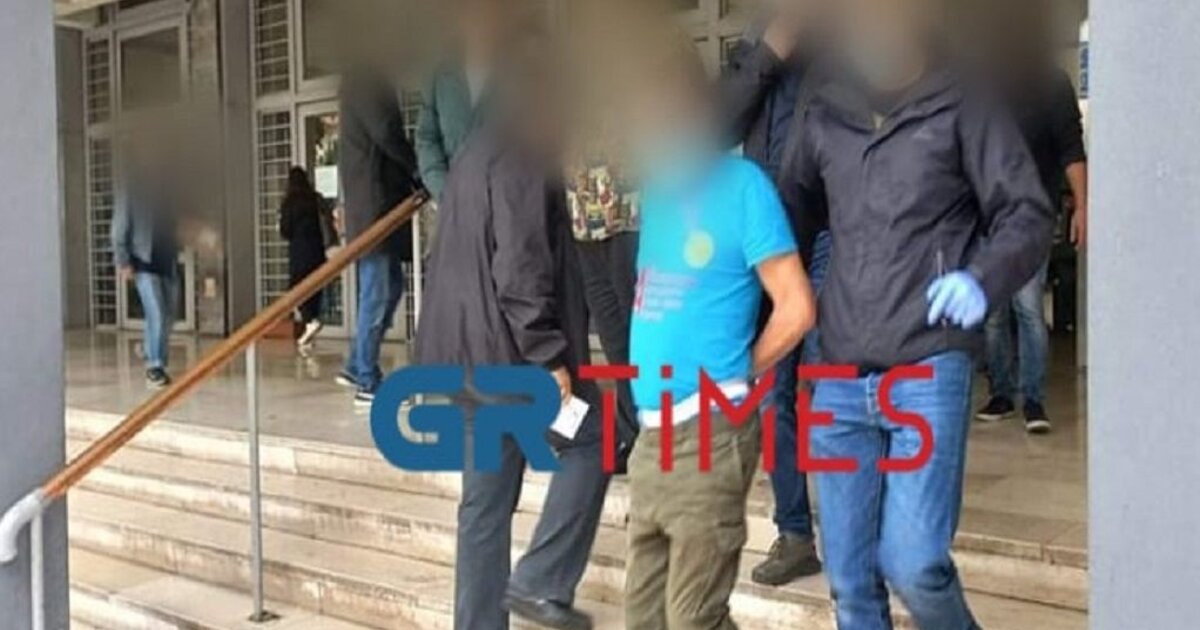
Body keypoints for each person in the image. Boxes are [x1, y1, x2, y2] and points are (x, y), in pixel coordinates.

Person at [777, 0, 1055, 627]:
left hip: (927, 362)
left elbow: (1026, 211)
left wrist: (981, 280)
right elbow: (789, 216)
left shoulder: (963, 100)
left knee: (914, 562)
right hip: (839, 371)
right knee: (849, 581)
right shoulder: (825, 108)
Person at [414, 32, 608, 630]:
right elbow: (519, 266)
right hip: (513, 362)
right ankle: (541, 581)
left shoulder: (477, 151)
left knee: (484, 504)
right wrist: (549, 355)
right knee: (594, 440)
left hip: (463, 362)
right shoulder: (524, 152)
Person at [623, 41, 816, 629]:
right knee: (644, 620)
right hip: (651, 440)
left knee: (693, 619)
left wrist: (739, 371)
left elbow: (796, 308)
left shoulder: (742, 186)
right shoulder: (658, 193)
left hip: (708, 431)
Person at [719, 4, 826, 586]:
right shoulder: (760, 34)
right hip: (770, 241)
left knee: (838, 384)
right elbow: (721, 122)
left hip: (835, 231)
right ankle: (795, 533)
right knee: (773, 392)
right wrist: (770, 52)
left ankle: (861, 528)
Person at [976, 16, 1089, 434]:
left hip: (1032, 214)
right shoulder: (983, 87)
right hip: (987, 215)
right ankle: (1002, 393)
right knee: (993, 312)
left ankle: (1034, 399)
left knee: (1027, 307)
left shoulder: (1053, 85)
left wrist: (1083, 206)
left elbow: (1072, 151)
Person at [335, 69, 422, 406]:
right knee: (378, 291)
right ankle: (367, 378)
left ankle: (357, 363)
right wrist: (416, 167)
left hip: (375, 205)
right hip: (375, 207)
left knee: (389, 287)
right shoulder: (366, 79)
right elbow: (386, 131)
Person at [415, 0, 505, 202]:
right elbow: (427, 139)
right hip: (457, 207)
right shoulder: (441, 73)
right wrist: (446, 192)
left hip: (508, 206)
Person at [112, 147, 182, 390]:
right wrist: (122, 260)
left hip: (167, 259)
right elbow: (120, 224)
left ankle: (148, 347)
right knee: (158, 313)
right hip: (143, 260)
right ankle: (155, 366)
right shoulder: (132, 187)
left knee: (169, 315)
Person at [279, 166, 333, 351]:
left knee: (296, 290)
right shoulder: (315, 199)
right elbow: (328, 220)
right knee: (315, 287)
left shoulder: (290, 202)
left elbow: (285, 230)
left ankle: (310, 320)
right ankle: (311, 323)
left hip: (299, 253)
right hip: (317, 251)